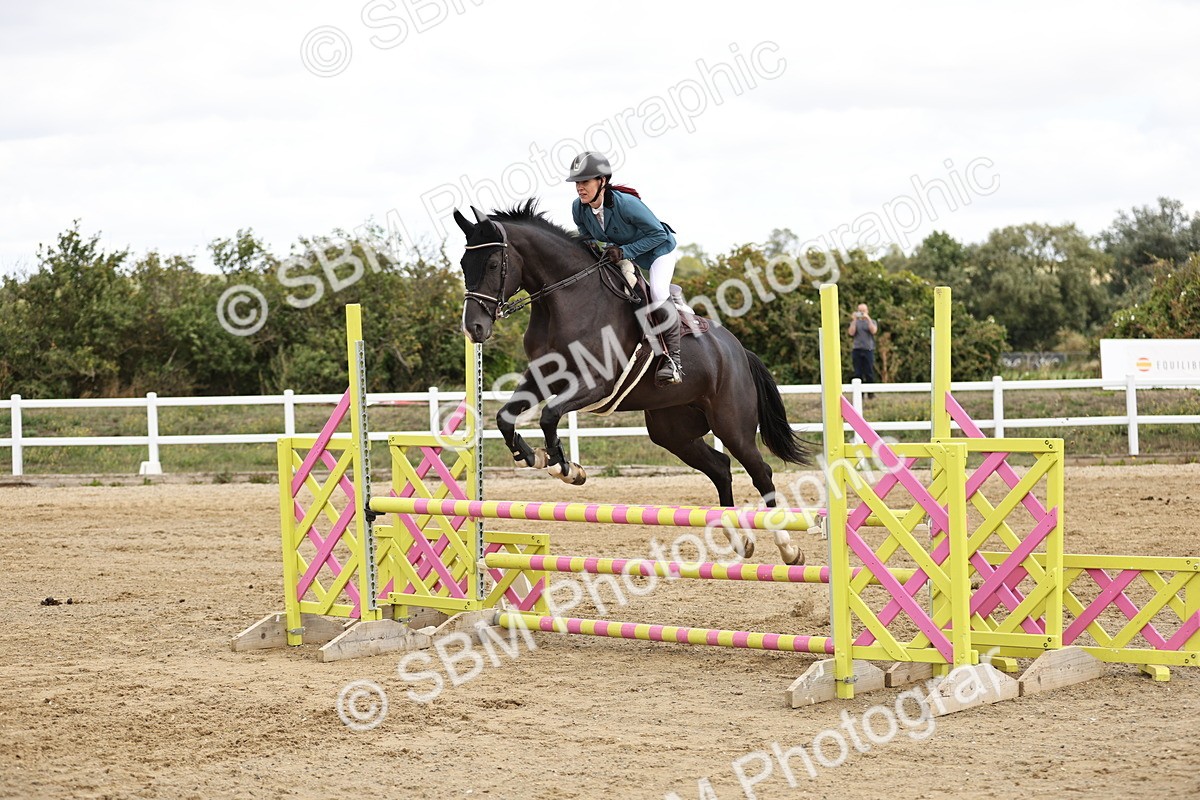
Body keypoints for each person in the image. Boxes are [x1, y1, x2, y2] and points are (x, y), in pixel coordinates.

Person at [566, 151, 682, 386]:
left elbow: (658, 234)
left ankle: (673, 361)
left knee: (658, 293)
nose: (580, 187)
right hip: (623, 251)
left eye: (585, 181)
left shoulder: (627, 204)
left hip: (659, 252)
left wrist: (625, 252)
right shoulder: (579, 208)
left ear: (602, 181)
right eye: (577, 182)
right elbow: (587, 236)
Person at [847, 303, 878, 393]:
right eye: (860, 311)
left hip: (868, 349)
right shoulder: (855, 322)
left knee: (869, 372)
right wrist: (854, 320)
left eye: (863, 311)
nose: (862, 313)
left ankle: (871, 393)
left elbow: (873, 331)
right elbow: (851, 333)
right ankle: (859, 393)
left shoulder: (872, 321)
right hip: (857, 349)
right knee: (857, 372)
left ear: (867, 311)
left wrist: (868, 318)